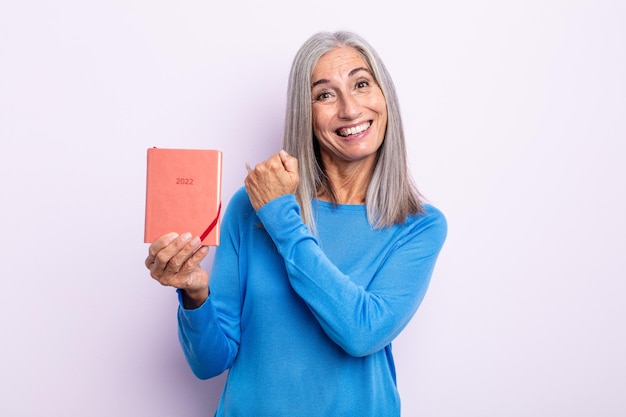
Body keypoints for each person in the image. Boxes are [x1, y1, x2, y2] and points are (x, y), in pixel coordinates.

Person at [145, 30, 447, 417]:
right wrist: (195, 294)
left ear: (384, 96)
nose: (350, 109)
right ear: (306, 113)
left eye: (361, 84)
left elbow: (362, 333)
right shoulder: (250, 206)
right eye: (324, 94)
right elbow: (208, 363)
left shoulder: (418, 227)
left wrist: (281, 218)